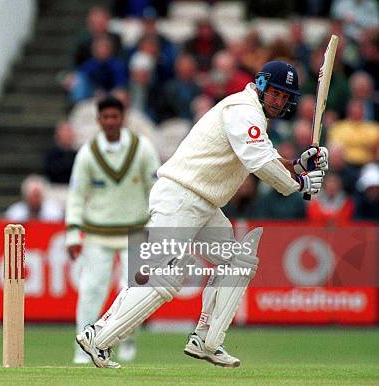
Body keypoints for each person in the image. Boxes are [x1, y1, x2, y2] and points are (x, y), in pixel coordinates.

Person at [75, 61, 329, 369]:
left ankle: (207, 340)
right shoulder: (243, 110)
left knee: (238, 262)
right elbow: (259, 162)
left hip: (204, 205)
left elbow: (268, 156)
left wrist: (299, 165)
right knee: (161, 275)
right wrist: (299, 184)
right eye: (274, 93)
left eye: (283, 96)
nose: (278, 100)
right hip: (181, 197)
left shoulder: (252, 116)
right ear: (261, 86)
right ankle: (98, 336)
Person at [66, 96, 160, 364]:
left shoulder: (142, 148)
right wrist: (73, 233)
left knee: (133, 291)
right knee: (91, 291)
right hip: (97, 232)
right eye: (105, 117)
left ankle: (127, 342)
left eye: (114, 117)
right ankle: (82, 348)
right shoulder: (88, 152)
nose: (110, 122)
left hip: (136, 229)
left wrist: (156, 226)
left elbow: (155, 189)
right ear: (98, 120)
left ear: (123, 118)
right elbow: (76, 195)